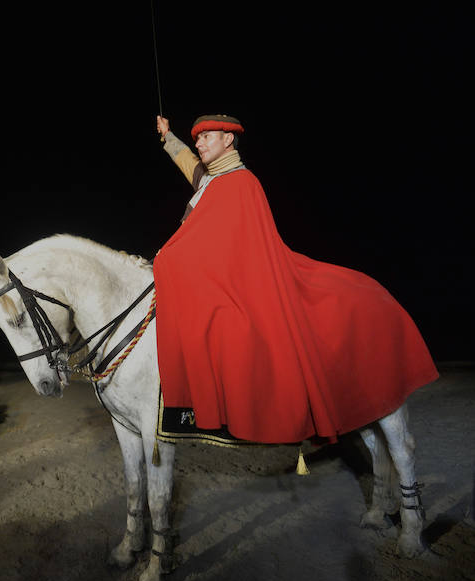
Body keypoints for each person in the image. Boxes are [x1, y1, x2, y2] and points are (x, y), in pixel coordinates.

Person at [152, 114, 438, 444]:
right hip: (223, 270)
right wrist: (168, 136)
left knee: (228, 325)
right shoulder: (211, 180)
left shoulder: (241, 183)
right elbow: (189, 163)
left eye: (206, 137)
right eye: (197, 138)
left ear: (228, 140)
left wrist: (169, 256)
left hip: (246, 276)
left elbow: (219, 242)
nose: (199, 143)